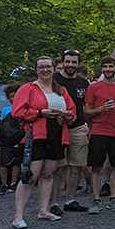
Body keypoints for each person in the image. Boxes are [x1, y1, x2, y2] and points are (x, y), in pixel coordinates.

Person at [11, 56, 77, 228]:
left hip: (56, 134)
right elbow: (17, 112)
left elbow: (72, 111)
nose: (45, 70)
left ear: (54, 68)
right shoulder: (28, 88)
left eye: (48, 66)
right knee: (30, 175)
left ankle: (44, 211)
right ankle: (18, 216)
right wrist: (40, 112)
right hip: (35, 135)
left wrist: (67, 117)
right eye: (41, 67)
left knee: (48, 174)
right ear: (36, 69)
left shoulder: (61, 90)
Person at [82, 57, 115, 213]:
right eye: (105, 67)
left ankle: (113, 199)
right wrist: (101, 109)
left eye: (111, 66)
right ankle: (96, 200)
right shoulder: (94, 88)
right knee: (96, 166)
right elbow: (86, 112)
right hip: (99, 131)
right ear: (101, 69)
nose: (108, 69)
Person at [51, 49, 91, 215]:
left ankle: (70, 200)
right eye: (67, 61)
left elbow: (86, 107)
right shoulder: (53, 80)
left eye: (74, 62)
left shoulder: (84, 83)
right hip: (57, 129)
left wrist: (91, 127)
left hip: (79, 127)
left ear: (78, 64)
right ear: (62, 62)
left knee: (76, 167)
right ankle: (53, 203)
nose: (70, 65)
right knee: (57, 168)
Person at [0, 84, 22, 194]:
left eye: (14, 96)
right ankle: (4, 184)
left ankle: (13, 182)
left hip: (18, 140)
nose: (12, 99)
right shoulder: (5, 110)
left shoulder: (22, 108)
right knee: (4, 162)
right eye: (10, 97)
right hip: (7, 141)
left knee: (16, 163)